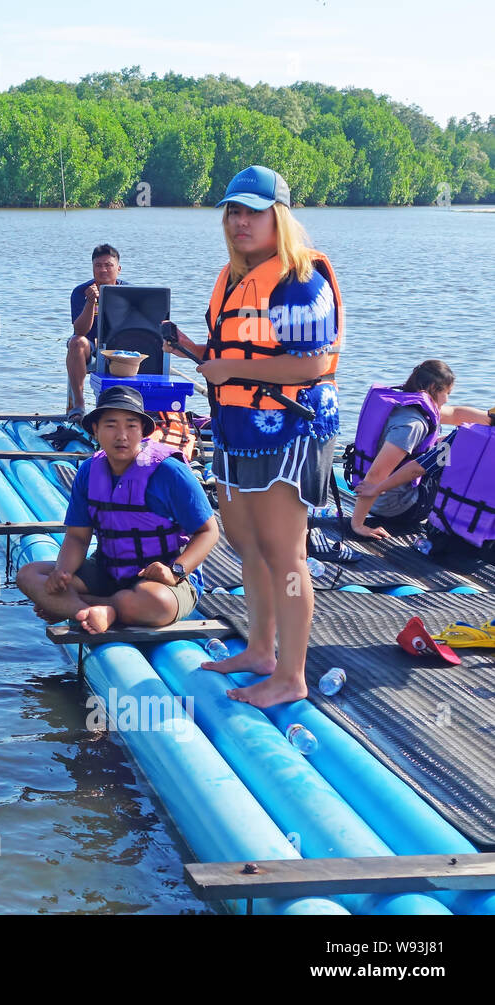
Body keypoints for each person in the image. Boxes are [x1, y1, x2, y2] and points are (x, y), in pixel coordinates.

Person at [164, 165, 342, 708]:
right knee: (247, 544)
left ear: (278, 217)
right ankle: (260, 651)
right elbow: (234, 355)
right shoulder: (233, 276)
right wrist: (194, 350)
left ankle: (291, 675)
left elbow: (312, 364)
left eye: (253, 212)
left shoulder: (299, 280)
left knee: (284, 553)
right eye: (233, 211)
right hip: (237, 427)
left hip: (291, 429)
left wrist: (233, 371)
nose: (240, 222)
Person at [16, 386, 219, 633]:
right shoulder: (89, 471)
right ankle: (87, 612)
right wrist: (63, 571)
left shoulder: (169, 472)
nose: (121, 435)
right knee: (29, 574)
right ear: (95, 430)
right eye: (111, 425)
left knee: (157, 602)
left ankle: (77, 607)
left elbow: (209, 531)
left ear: (143, 431)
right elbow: (78, 537)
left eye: (131, 425)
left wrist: (175, 571)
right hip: (108, 568)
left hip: (160, 577)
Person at [348, 360, 494, 538]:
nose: (448, 399)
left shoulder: (404, 405)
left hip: (381, 500)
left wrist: (491, 418)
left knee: (449, 445)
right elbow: (376, 475)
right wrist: (357, 524)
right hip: (398, 507)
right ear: (433, 387)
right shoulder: (413, 424)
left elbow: (456, 414)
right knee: (466, 452)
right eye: (448, 392)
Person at [65, 244, 128, 420]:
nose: (103, 270)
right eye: (98, 266)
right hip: (90, 345)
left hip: (120, 346)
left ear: (118, 268)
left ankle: (132, 406)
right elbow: (79, 330)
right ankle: (79, 405)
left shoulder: (129, 292)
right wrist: (90, 302)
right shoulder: (81, 292)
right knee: (76, 342)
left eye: (108, 265)